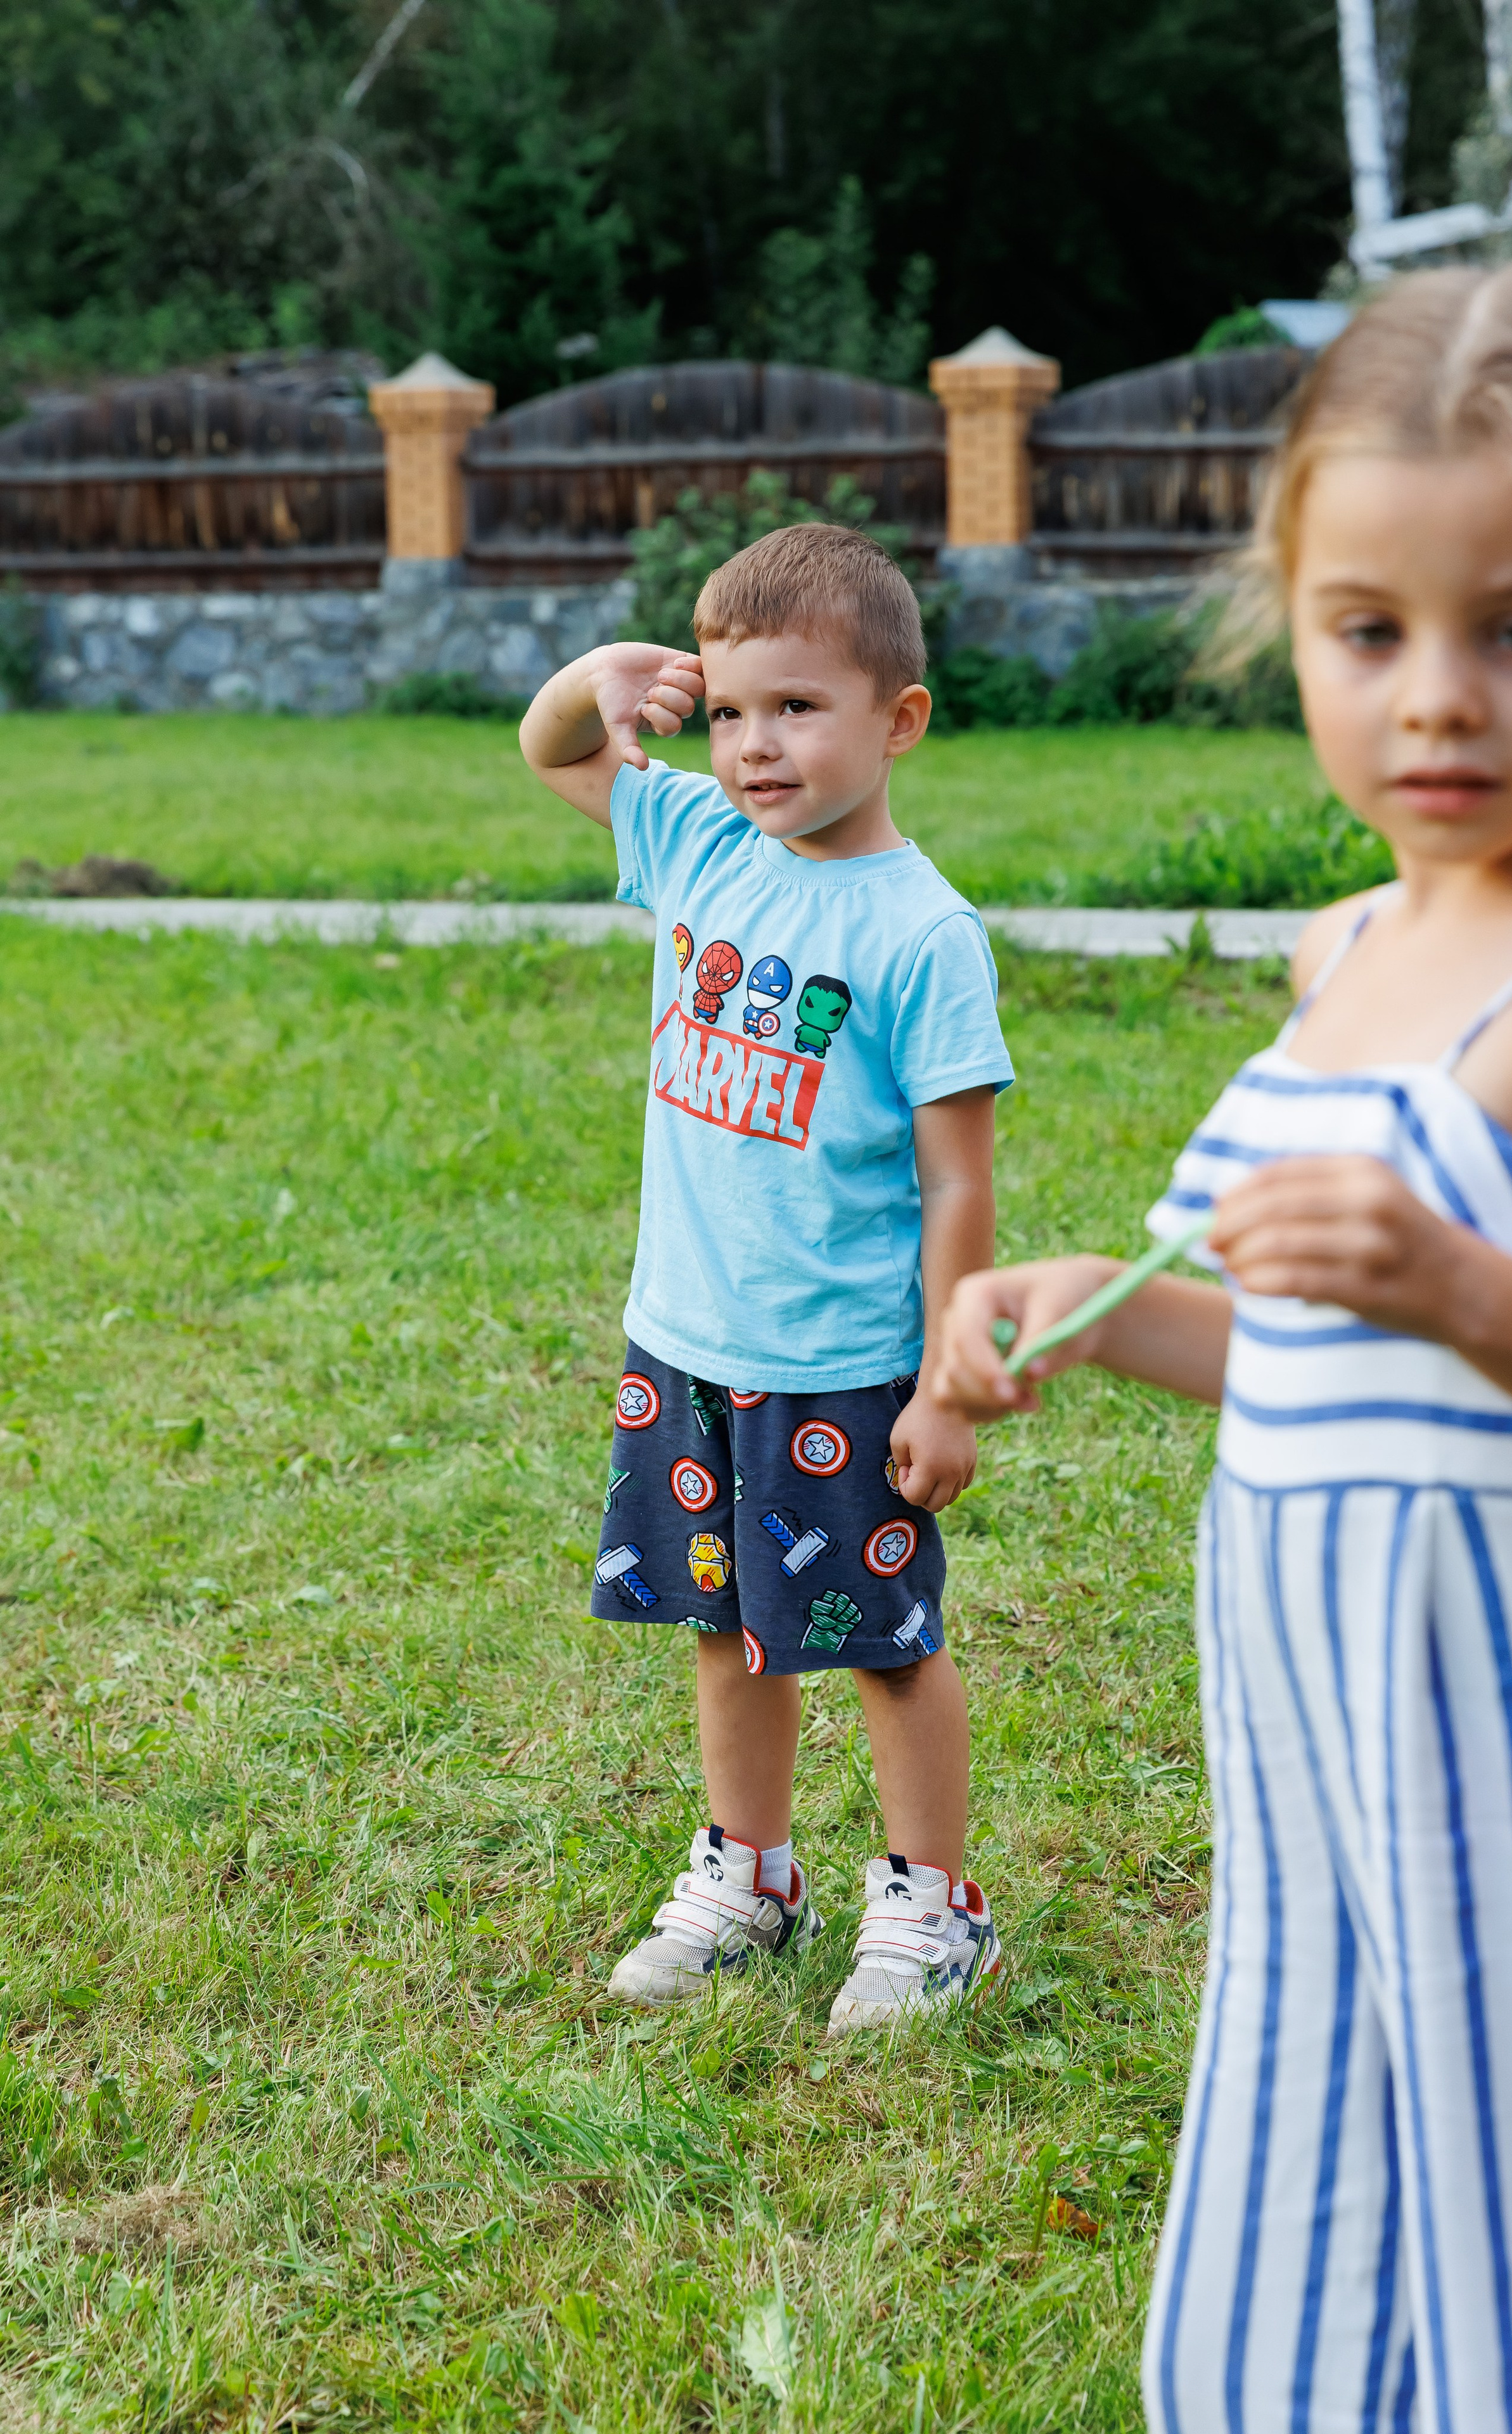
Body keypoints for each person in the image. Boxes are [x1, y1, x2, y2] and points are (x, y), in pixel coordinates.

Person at [935, 252, 1512, 2430]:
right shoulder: (1344, 946)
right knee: (1327, 2149)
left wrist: (1465, 1280)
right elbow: (1345, 1381)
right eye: (1370, 633)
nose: (1438, 702)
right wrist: (1108, 1324)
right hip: (1315, 1729)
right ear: (1286, 618)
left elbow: (1480, 1350)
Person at [520, 521, 1014, 2035]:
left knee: (879, 1646)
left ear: (897, 720)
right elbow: (553, 753)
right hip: (687, 1338)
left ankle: (935, 1907)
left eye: (795, 707)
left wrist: (943, 1385)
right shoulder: (696, 844)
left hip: (847, 1366)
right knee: (727, 1627)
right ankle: (753, 1873)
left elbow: (957, 1180)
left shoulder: (923, 934)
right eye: (728, 711)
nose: (750, 745)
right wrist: (594, 676)